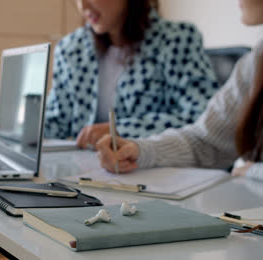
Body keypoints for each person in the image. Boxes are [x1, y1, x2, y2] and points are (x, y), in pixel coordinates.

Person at [95, 0, 263, 182]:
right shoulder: (255, 62)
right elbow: (205, 143)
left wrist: (253, 171)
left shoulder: (178, 37)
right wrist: (139, 150)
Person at [44, 0, 220, 149]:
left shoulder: (178, 39)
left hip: (152, 173)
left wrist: (120, 129)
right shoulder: (70, 49)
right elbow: (57, 121)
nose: (83, 6)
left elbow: (202, 116)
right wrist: (25, 134)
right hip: (82, 173)